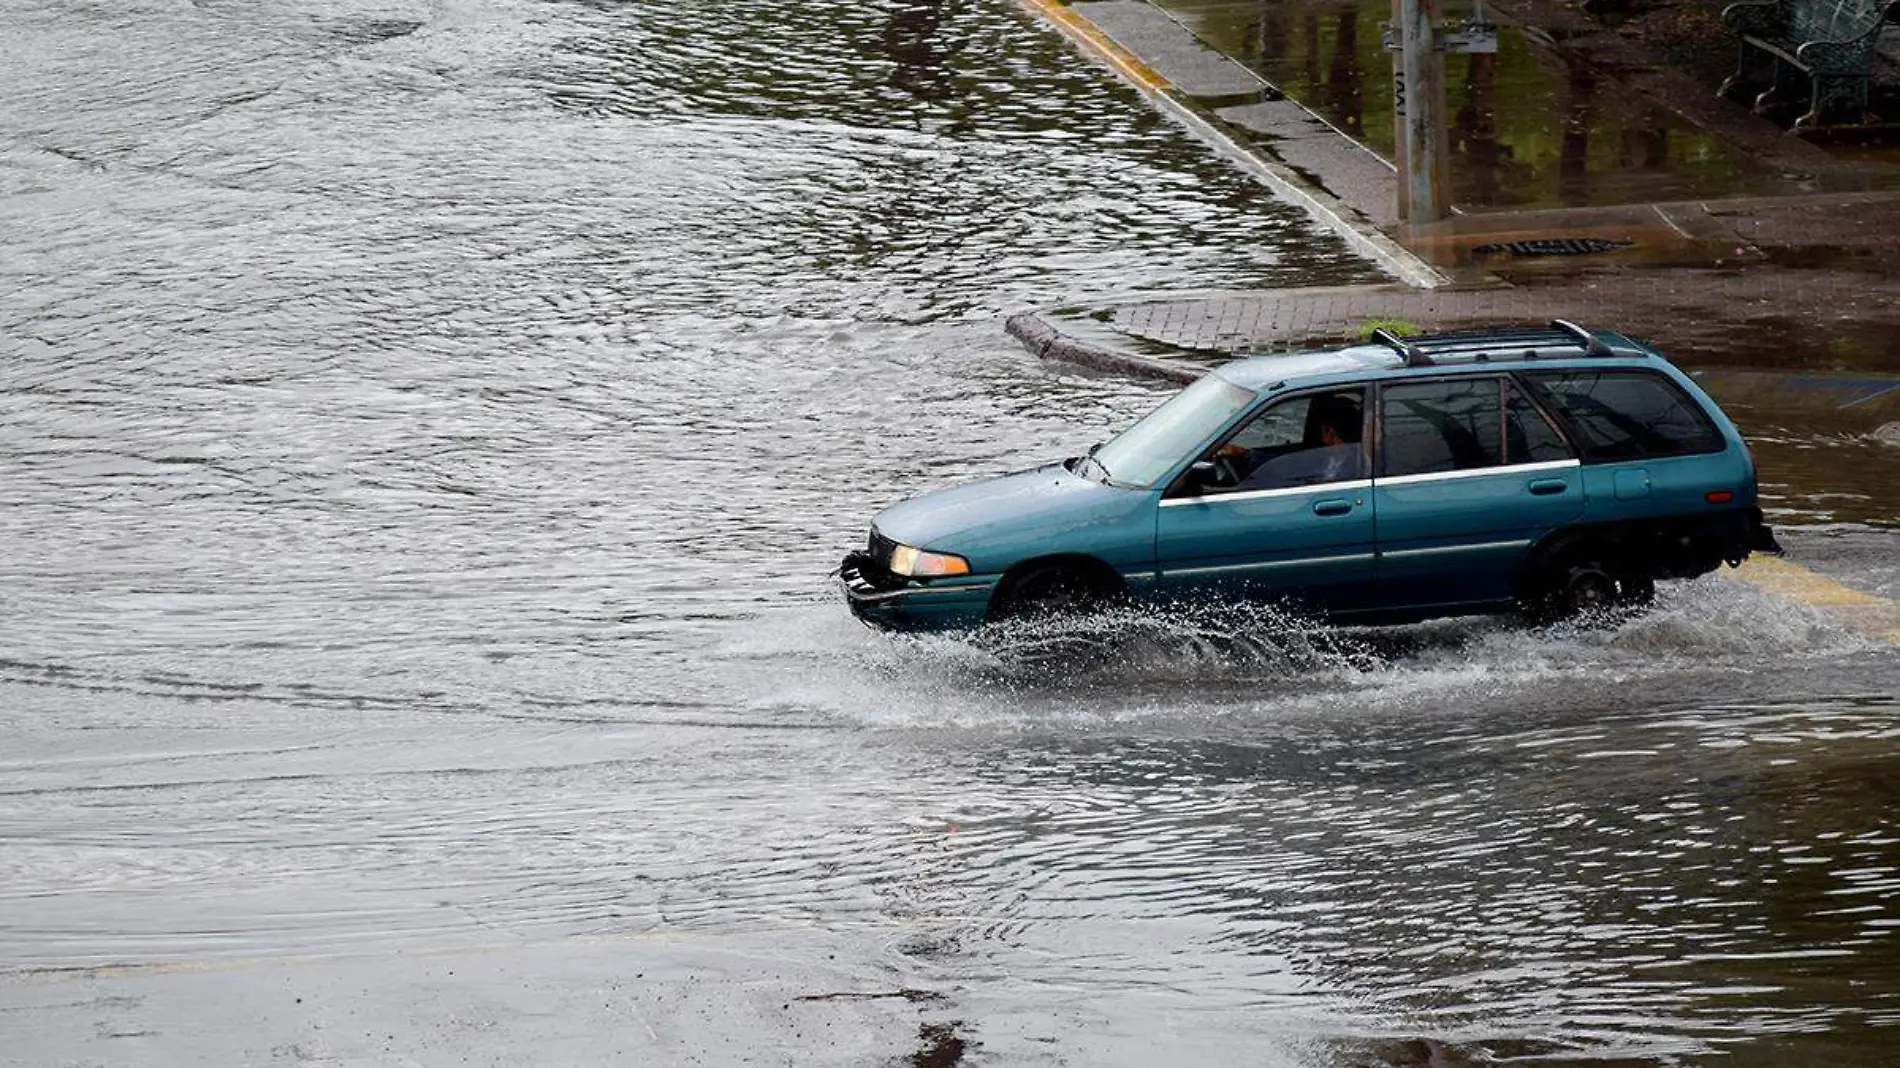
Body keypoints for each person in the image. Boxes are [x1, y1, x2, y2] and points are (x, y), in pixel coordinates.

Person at [1234, 397, 1362, 491]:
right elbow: (1285, 462)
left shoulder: (1352, 468)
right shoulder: (1326, 457)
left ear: (1329, 431)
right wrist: (1246, 453)